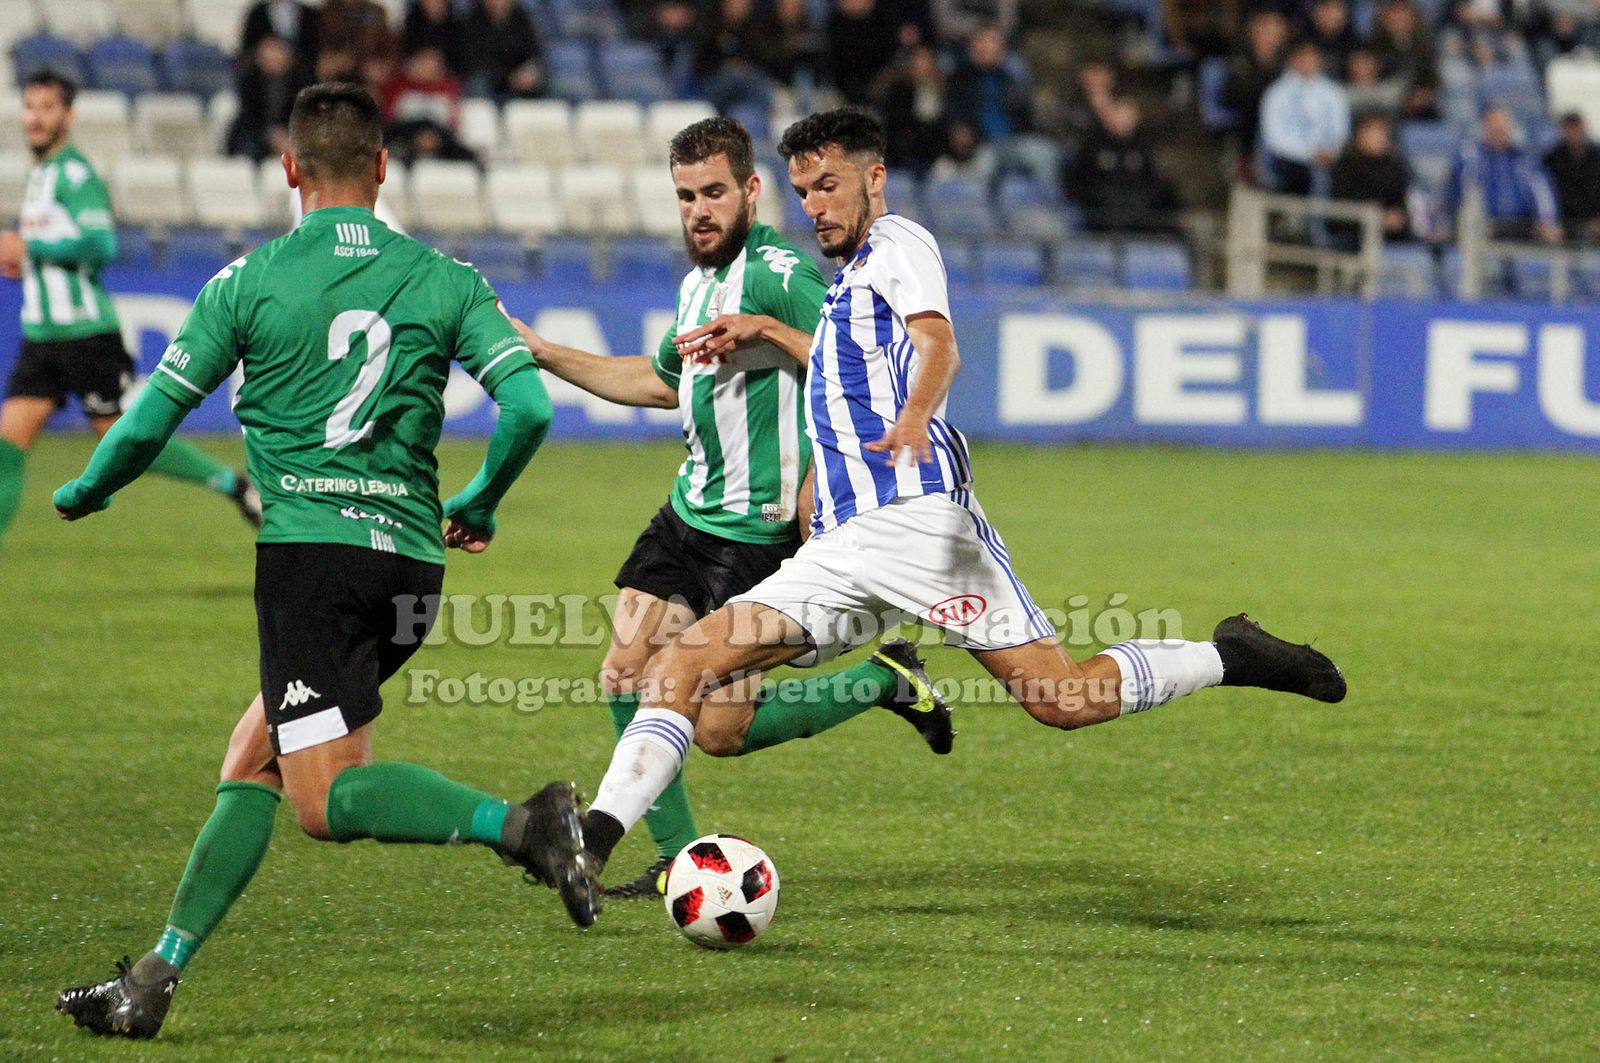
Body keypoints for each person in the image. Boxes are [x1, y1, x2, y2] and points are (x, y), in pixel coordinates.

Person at [570, 107, 1348, 879]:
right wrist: (771, 336)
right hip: (841, 550)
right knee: (678, 668)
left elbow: (937, 341)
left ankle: (1228, 655)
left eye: (830, 185)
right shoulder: (842, 292)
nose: (815, 206)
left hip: (919, 528)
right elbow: (840, 376)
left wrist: (915, 415)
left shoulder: (899, 243)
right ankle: (586, 851)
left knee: (1060, 699)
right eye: (804, 190)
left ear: (875, 179)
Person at [52, 83, 595, 1041]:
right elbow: (533, 409)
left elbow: (145, 423)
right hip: (414, 569)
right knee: (252, 753)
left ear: (291, 169)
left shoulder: (246, 282)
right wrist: (481, 500)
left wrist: (89, 488)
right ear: (383, 167)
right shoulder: (448, 278)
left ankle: (526, 826)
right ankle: (153, 977)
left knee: (323, 798)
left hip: (311, 559)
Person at [518, 117, 952, 897]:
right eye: (686, 196)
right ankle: (674, 857)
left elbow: (860, 355)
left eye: (714, 192)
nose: (699, 211)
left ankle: (887, 679)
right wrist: (543, 351)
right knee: (625, 672)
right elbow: (655, 383)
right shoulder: (697, 283)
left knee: (720, 731)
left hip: (758, 537)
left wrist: (766, 329)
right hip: (688, 515)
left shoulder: (781, 270)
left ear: (751, 190)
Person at [0, 72, 259, 552]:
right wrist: (27, 262)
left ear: (68, 116)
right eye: (29, 106)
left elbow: (101, 243)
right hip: (40, 336)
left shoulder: (75, 174)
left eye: (47, 107)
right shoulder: (40, 177)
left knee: (124, 438)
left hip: (85, 336)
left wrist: (30, 247)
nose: (35, 117)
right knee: (6, 448)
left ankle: (232, 484)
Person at [1441, 105, 1561, 244]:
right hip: (1483, 228)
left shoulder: (1524, 161)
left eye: (1503, 130)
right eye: (1494, 130)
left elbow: (1542, 192)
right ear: (1485, 129)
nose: (1499, 134)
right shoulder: (1471, 158)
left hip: (1520, 228)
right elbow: (1457, 191)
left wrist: (1547, 220)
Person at [1065, 95, 1177, 233]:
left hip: (1137, 212)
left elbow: (1151, 182)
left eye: (1130, 115)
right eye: (1121, 114)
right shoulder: (1092, 146)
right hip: (1102, 215)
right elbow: (1079, 183)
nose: (1126, 120)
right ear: (1108, 116)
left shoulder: (1142, 147)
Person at [1258, 39, 1349, 195]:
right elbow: (1274, 137)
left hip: (1328, 157)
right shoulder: (1276, 93)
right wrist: (1308, 154)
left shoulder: (1333, 92)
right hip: (1290, 158)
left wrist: (1331, 151)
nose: (1307, 61)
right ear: (1292, 59)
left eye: (1312, 57)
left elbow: (1340, 129)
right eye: (1302, 57)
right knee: (1304, 175)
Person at [1330, 111, 1412, 244]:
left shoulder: (1394, 166)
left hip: (1392, 234)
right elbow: (1341, 206)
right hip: (1355, 230)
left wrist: (1398, 218)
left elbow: (1400, 201)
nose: (1380, 137)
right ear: (1360, 135)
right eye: (1374, 131)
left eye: (1383, 132)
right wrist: (1379, 217)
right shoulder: (1346, 165)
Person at [228, 34, 309, 160]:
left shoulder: (300, 81)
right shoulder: (249, 80)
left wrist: (287, 137)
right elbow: (248, 118)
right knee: (248, 150)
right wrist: (270, 136)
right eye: (266, 51)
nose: (271, 56)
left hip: (290, 137)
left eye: (275, 50)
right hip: (257, 136)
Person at [463, 0, 545, 101]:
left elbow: (534, 51)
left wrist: (530, 70)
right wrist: (508, 78)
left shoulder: (522, 17)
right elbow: (477, 60)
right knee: (477, 84)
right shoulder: (473, 20)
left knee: (549, 83)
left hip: (520, 77)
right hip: (491, 79)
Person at [1541, 112, 1600, 242]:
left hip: (1594, 221)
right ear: (1563, 131)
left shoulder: (1596, 156)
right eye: (1570, 129)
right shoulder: (1551, 158)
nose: (1574, 133)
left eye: (1577, 128)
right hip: (1563, 224)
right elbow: (1545, 192)